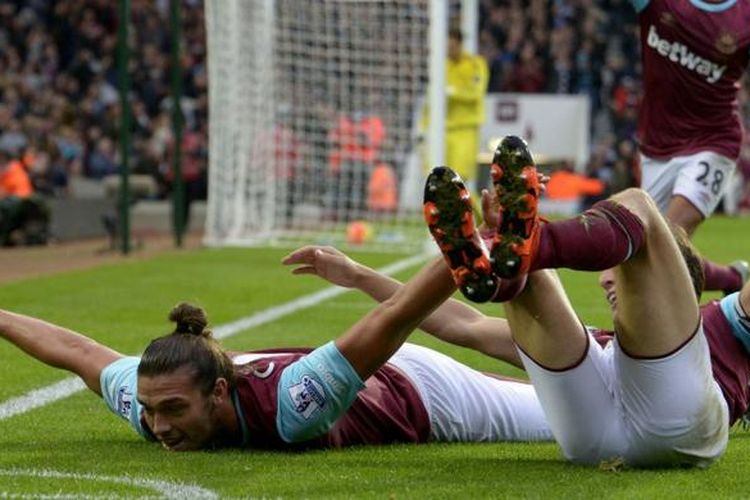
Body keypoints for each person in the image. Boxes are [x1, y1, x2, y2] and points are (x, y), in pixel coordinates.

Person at [0, 258, 552, 452]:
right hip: (376, 379)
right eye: (150, 409)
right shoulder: (153, 393)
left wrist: (463, 250)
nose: (157, 424)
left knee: (578, 423)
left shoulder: (291, 405)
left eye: (172, 410)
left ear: (218, 392)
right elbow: (76, 350)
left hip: (432, 398)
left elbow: (390, 323)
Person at [423, 135, 734, 468]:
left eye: (622, 269)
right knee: (532, 275)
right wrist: (362, 277)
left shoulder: (720, 318)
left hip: (654, 429)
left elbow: (464, 326)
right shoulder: (603, 344)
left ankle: (528, 247)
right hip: (610, 437)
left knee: (637, 203)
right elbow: (463, 325)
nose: (604, 279)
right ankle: (505, 261)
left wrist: (736, 278)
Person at [630, 0, 750, 293]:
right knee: (640, 259)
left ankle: (683, 332)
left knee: (665, 240)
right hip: (657, 148)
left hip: (714, 141)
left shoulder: (744, 15)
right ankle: (733, 280)